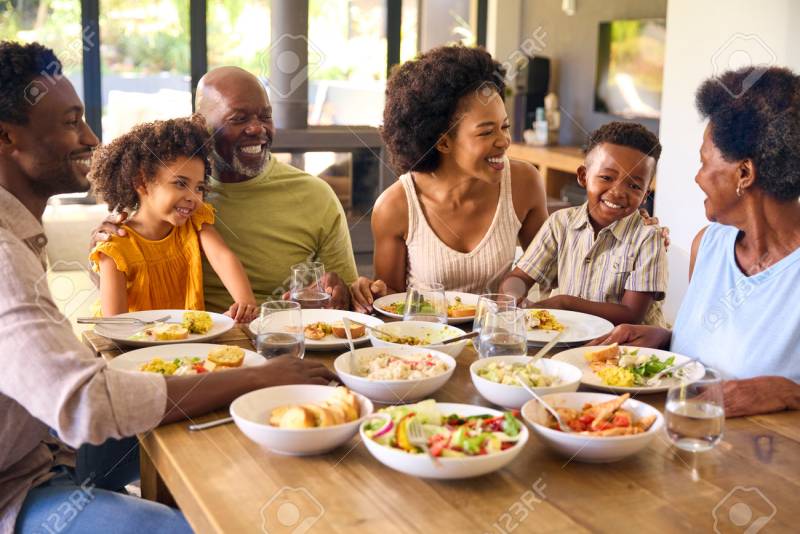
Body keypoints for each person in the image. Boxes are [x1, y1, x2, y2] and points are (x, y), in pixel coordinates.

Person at [0, 41, 336, 533]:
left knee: (223, 458)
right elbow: (86, 404)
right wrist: (256, 377)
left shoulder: (22, 234)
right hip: (17, 489)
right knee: (191, 526)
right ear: (8, 138)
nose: (90, 136)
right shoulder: (7, 254)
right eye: (72, 121)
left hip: (45, 450)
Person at [591, 66, 800, 417]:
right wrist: (666, 340)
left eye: (703, 161)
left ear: (744, 174)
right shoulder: (708, 245)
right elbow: (716, 347)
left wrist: (791, 393)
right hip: (684, 442)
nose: (697, 177)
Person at [92, 66, 358, 310]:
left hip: (275, 337)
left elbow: (346, 294)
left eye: (266, 116)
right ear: (202, 124)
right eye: (239, 118)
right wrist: (101, 251)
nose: (257, 128)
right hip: (181, 339)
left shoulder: (316, 196)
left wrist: (339, 290)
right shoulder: (160, 191)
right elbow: (123, 282)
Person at [350, 45, 549, 312]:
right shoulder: (395, 206)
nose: (504, 141)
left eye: (505, 126)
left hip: (498, 341)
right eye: (486, 132)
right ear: (443, 143)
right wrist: (372, 292)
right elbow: (391, 302)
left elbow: (548, 274)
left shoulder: (525, 184)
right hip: (426, 342)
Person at [89, 115, 257, 321]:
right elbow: (115, 324)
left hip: (184, 341)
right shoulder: (115, 248)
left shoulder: (194, 222)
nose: (193, 197)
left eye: (199, 187)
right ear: (141, 182)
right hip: (134, 344)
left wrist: (244, 302)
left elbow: (222, 257)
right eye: (180, 183)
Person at [499, 122, 668, 326]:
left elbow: (632, 315)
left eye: (634, 185)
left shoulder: (648, 238)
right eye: (606, 177)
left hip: (626, 349)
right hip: (568, 338)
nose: (618, 192)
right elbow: (519, 278)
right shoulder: (560, 224)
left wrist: (566, 303)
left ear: (645, 195)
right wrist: (513, 297)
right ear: (583, 176)